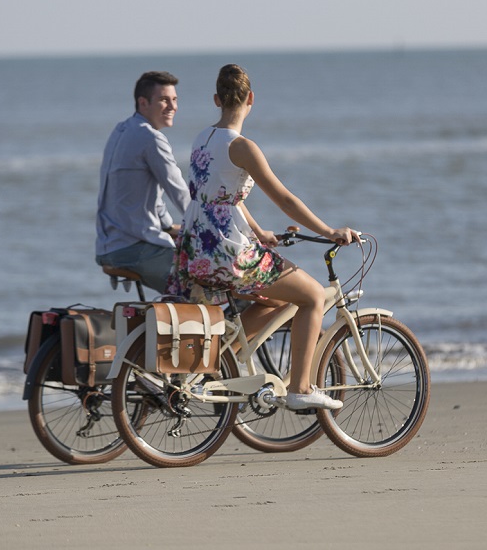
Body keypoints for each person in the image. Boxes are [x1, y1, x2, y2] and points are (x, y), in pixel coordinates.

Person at [169, 64, 359, 411]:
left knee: (277, 301)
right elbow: (285, 199)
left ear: (216, 100)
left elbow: (221, 197)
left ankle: (226, 361)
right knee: (314, 296)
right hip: (228, 251)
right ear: (251, 99)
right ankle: (301, 388)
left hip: (197, 247)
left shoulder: (202, 138)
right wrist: (330, 231)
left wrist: (259, 233)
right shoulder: (242, 147)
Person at [95, 71, 190, 294]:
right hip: (135, 248)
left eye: (175, 99)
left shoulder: (121, 130)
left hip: (109, 246)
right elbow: (180, 194)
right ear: (143, 102)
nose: (172, 106)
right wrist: (213, 227)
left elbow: (148, 195)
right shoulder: (151, 138)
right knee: (213, 281)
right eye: (164, 99)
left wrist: (167, 226)